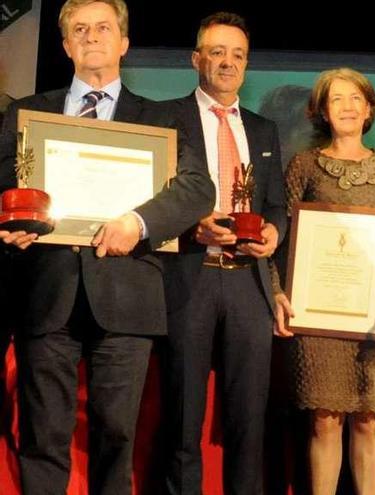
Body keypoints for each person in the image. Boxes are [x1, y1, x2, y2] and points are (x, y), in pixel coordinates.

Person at [0, 1, 214, 492]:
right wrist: (8, 222)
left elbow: (199, 189)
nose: (91, 36)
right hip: (45, 291)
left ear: (123, 43)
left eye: (103, 27)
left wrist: (138, 222)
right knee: (43, 437)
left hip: (126, 296)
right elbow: (2, 186)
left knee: (117, 438)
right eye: (79, 29)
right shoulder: (29, 113)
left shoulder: (161, 119)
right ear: (66, 45)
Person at [158, 12, 286, 494]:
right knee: (184, 418)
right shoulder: (164, 118)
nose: (227, 62)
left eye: (237, 55)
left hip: (248, 283)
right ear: (197, 59)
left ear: (247, 65)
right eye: (217, 52)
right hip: (189, 276)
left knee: (248, 422)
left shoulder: (264, 129)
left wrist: (274, 232)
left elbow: (277, 204)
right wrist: (192, 226)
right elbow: (153, 196)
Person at [276, 67, 375, 495]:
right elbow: (283, 235)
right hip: (319, 315)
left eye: (356, 98)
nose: (348, 106)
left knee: (370, 420)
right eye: (337, 99)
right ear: (323, 112)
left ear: (369, 107)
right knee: (326, 419)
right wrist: (279, 292)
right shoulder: (304, 165)